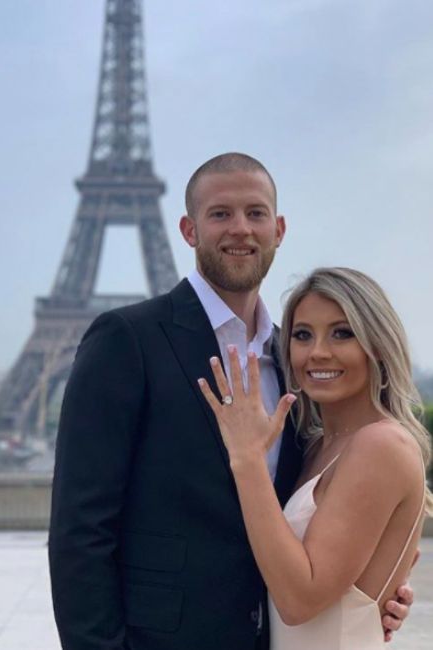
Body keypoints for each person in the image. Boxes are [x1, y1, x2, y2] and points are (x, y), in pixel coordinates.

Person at [48, 154, 412, 650]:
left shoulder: (298, 362)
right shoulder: (127, 341)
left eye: (255, 213)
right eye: (220, 214)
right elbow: (79, 532)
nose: (240, 228)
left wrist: (373, 592)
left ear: (278, 229)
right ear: (188, 229)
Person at [199, 266, 431, 649]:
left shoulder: (381, 445)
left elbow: (299, 600)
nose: (318, 352)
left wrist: (246, 458)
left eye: (342, 333)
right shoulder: (315, 446)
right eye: (302, 335)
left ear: (377, 344)